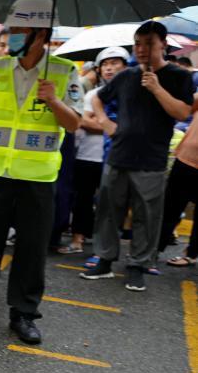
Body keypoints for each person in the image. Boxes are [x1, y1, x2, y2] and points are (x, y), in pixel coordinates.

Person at [0, 0, 82, 344]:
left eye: (19, 30)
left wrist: (54, 100)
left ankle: (24, 313)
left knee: (31, 248)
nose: (11, 36)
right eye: (11, 29)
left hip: (38, 178)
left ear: (40, 34)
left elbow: (73, 125)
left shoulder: (64, 72)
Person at [82, 21, 194, 291]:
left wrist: (156, 88)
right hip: (119, 154)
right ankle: (105, 260)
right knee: (109, 210)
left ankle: (138, 265)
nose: (142, 49)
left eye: (148, 44)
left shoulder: (179, 76)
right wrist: (106, 125)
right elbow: (98, 97)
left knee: (147, 214)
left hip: (152, 159)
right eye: (138, 44)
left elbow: (182, 112)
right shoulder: (126, 75)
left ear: (163, 45)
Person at [59, 47, 128, 255]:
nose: (109, 68)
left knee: (111, 204)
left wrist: (103, 124)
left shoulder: (131, 94)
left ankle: (104, 247)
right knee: (83, 199)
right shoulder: (92, 94)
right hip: (87, 155)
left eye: (115, 63)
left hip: (116, 158)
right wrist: (114, 128)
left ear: (126, 67)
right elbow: (82, 121)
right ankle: (78, 239)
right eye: (105, 65)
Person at [158, 94, 198, 267]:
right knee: (170, 208)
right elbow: (186, 108)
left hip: (187, 158)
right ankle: (153, 250)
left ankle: (191, 254)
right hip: (186, 158)